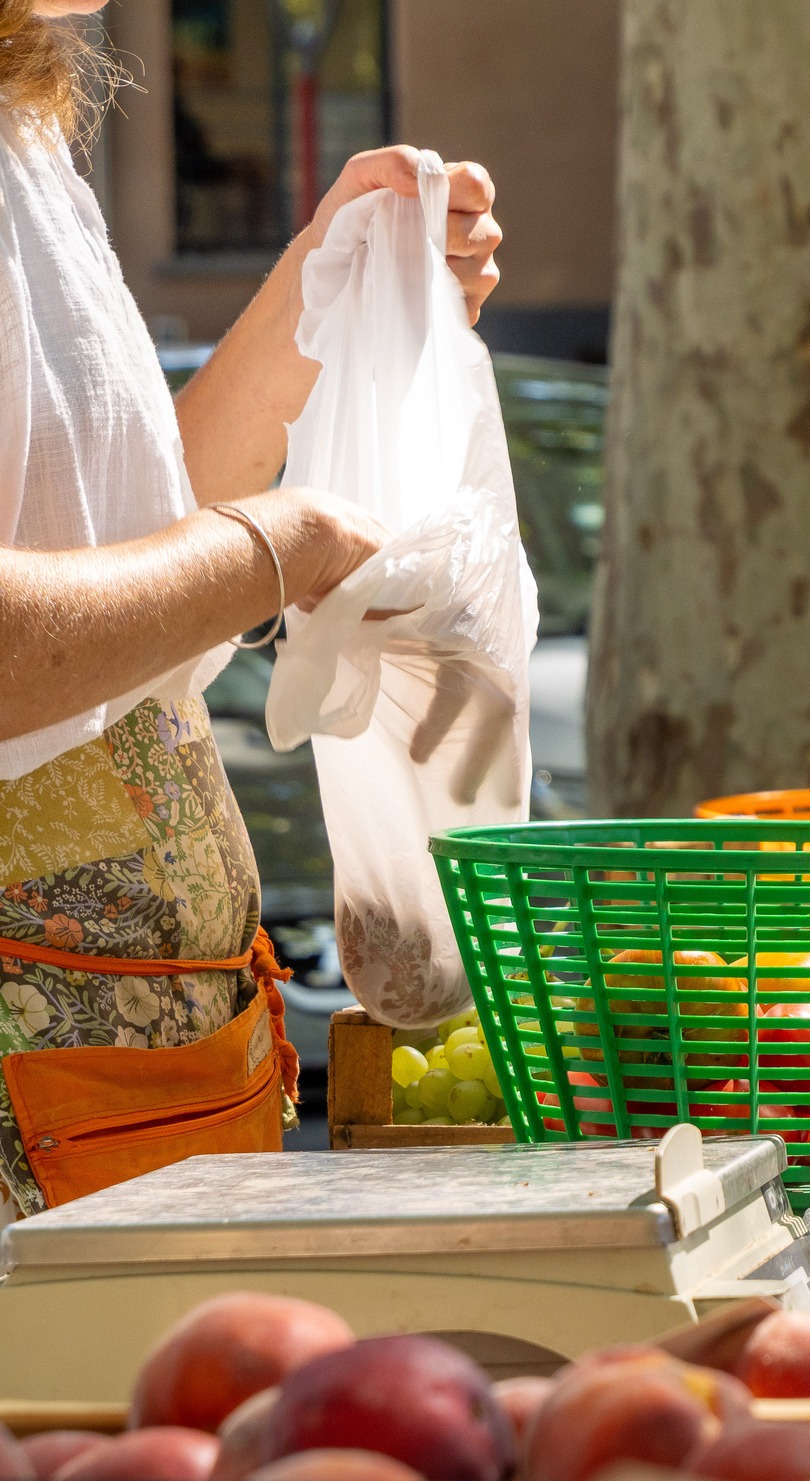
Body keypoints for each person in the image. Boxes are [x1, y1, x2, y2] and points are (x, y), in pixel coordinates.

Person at [0, 0, 502, 1218]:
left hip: (136, 1087)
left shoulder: (27, 130)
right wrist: (280, 547)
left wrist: (321, 291)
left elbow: (125, 535)